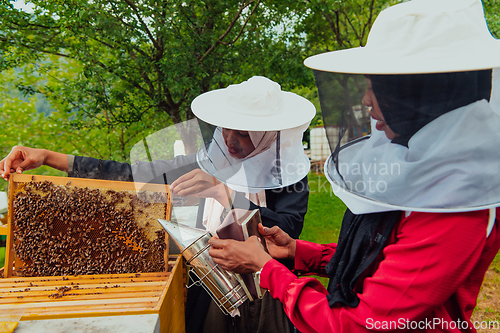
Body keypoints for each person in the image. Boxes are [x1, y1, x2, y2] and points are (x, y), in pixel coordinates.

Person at [207, 0, 500, 332]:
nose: (365, 100)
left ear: (417, 96)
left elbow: (358, 324)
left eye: (376, 88)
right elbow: (378, 253)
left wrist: (265, 268)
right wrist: (298, 251)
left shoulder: (456, 206)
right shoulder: (425, 163)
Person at [0, 76, 316, 333]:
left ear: (269, 136)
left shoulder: (288, 177)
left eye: (245, 134)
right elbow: (130, 174)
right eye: (227, 128)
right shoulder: (203, 164)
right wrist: (48, 157)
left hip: (268, 294)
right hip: (208, 295)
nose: (231, 139)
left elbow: (286, 232)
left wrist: (227, 194)